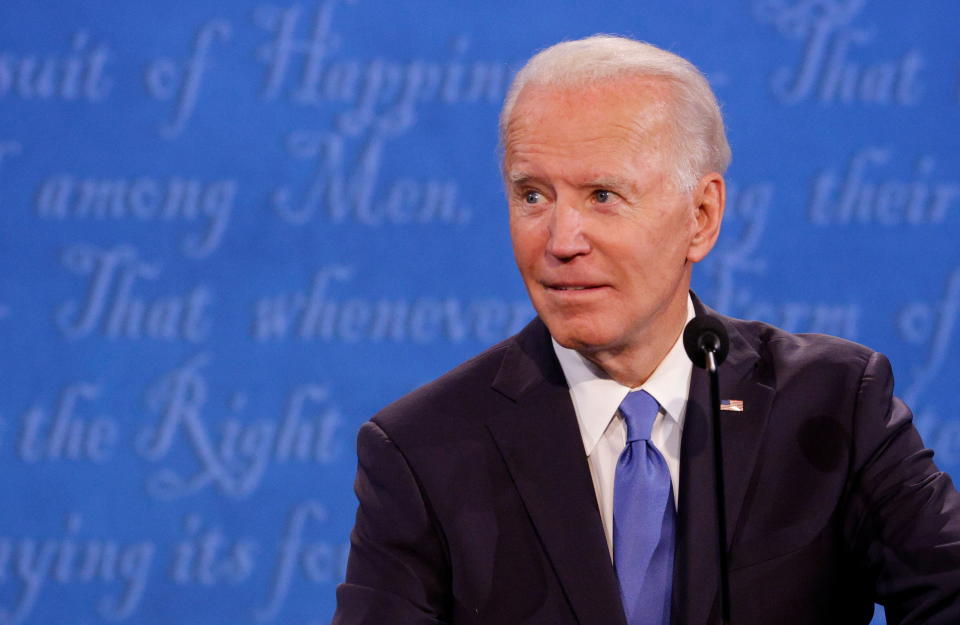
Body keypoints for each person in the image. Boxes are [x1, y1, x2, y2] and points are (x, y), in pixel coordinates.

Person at [332, 35, 960, 625]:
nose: (560, 241)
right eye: (532, 195)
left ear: (702, 216)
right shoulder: (423, 449)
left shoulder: (831, 408)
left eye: (602, 195)